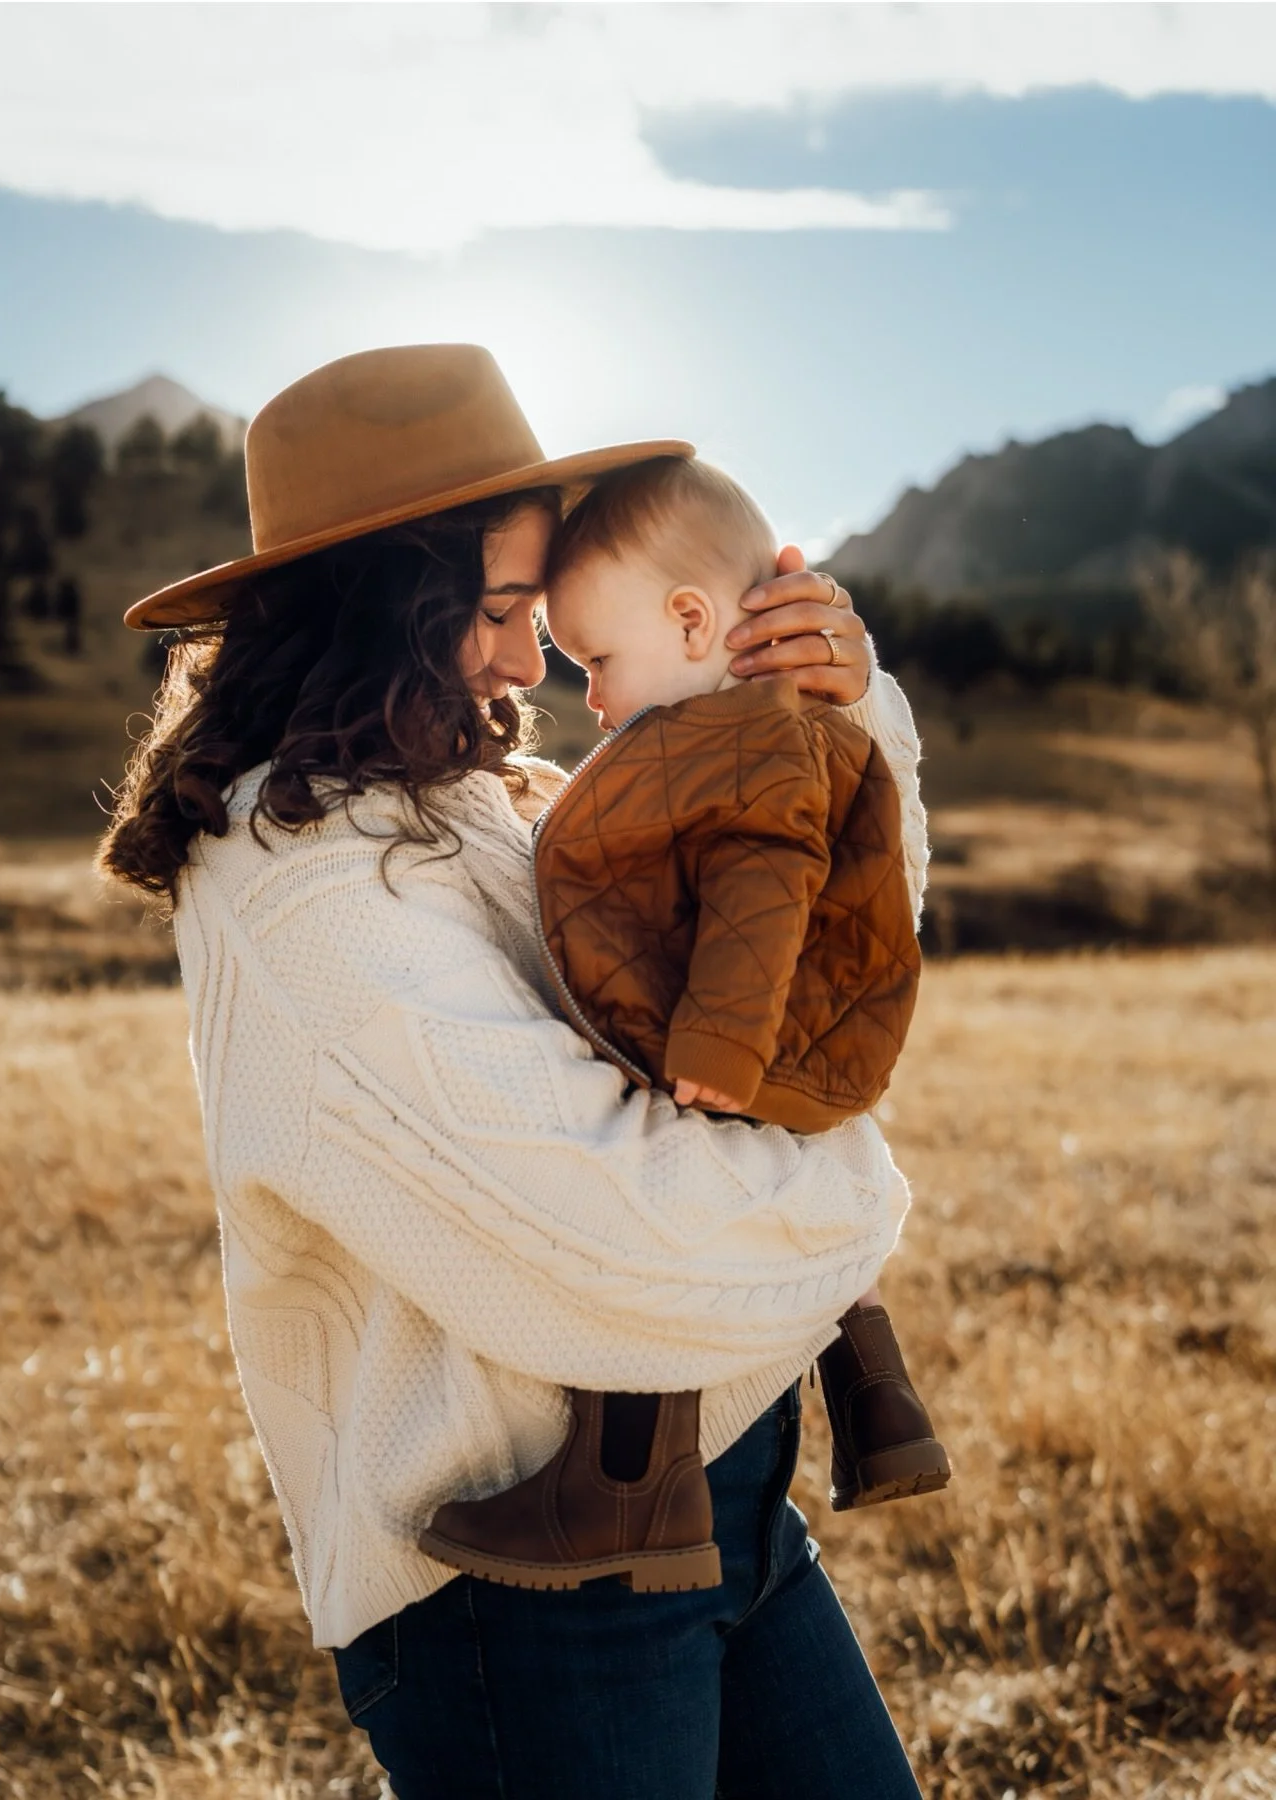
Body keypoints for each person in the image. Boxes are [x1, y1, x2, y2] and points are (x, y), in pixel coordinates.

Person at [101, 344, 926, 1798]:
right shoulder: (302, 895)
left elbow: (839, 967)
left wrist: (827, 721)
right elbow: (617, 1246)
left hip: (722, 1496)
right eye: (493, 612)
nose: (526, 660)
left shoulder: (493, 797)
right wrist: (856, 1184)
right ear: (377, 609)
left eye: (539, 614)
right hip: (520, 1606)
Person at [417, 456, 948, 1599]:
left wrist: (712, 1050)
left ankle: (627, 1483)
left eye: (598, 662)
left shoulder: (747, 738)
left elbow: (763, 888)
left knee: (669, 1172)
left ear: (694, 621)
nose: (590, 698)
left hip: (751, 1040)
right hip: (789, 1039)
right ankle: (875, 1386)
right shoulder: (743, 733)